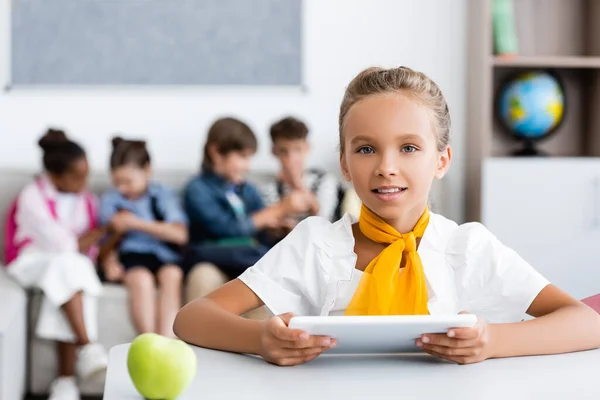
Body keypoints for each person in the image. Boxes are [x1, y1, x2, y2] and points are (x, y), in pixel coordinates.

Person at [173, 66, 600, 366]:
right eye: (365, 148)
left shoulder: (467, 248)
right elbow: (191, 318)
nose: (386, 166)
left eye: (409, 147)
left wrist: (491, 341)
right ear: (344, 164)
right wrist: (261, 339)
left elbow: (587, 323)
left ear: (442, 159)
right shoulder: (316, 245)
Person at [4, 129, 108, 399]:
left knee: (66, 278)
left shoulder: (86, 199)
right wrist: (102, 231)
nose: (84, 182)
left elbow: (87, 250)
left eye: (87, 174)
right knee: (67, 267)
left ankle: (66, 382)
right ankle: (86, 346)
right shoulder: (32, 197)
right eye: (77, 176)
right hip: (30, 260)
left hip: (65, 267)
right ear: (55, 176)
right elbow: (63, 244)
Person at [182, 117, 310, 307]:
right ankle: (200, 335)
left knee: (262, 283)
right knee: (202, 278)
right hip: (212, 260)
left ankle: (257, 335)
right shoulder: (197, 189)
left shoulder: (248, 190)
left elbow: (261, 234)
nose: (248, 166)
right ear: (216, 152)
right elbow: (226, 227)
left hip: (248, 261)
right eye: (242, 157)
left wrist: (274, 229)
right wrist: (276, 210)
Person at [99, 137, 188, 338]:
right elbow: (104, 241)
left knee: (172, 275)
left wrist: (135, 223)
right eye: (117, 182)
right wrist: (109, 261)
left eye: (128, 181)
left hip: (165, 255)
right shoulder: (111, 199)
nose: (122, 188)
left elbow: (180, 235)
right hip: (132, 256)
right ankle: (149, 340)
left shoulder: (163, 195)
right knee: (141, 280)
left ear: (147, 170)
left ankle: (166, 342)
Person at [259, 117, 340, 236]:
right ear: (274, 151)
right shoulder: (268, 186)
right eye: (283, 151)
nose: (291, 159)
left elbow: (324, 220)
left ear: (307, 148)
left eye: (297, 149)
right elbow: (272, 225)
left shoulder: (324, 180)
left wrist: (297, 184)